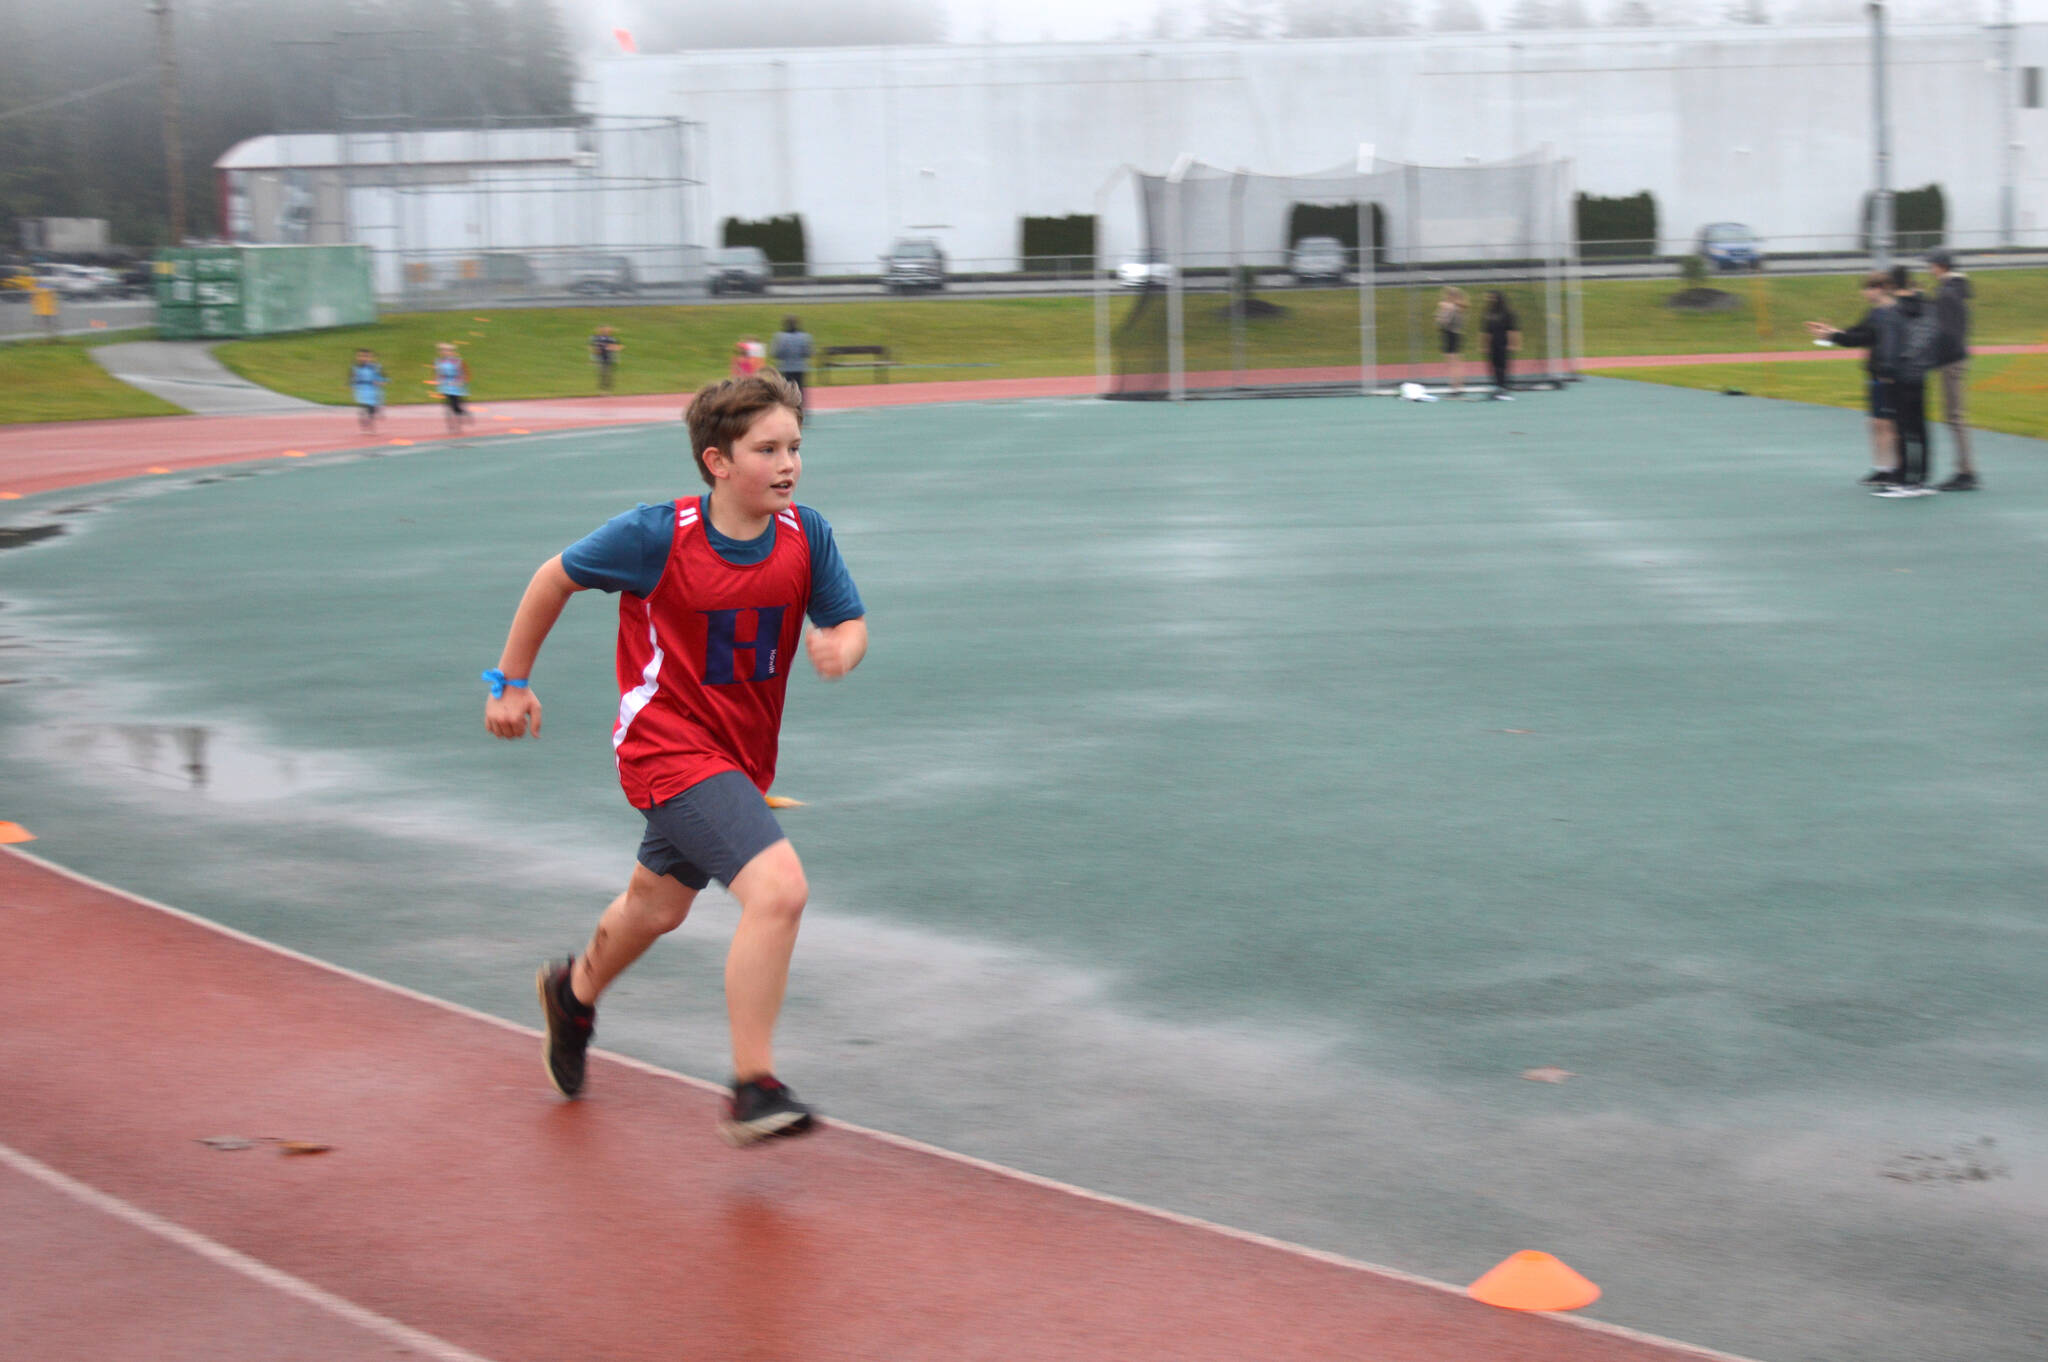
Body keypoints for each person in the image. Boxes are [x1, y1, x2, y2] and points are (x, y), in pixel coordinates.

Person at [483, 371, 868, 1146]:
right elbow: (553, 578)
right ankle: (752, 1085)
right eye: (768, 449)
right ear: (717, 460)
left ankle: (572, 993)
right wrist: (511, 682)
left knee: (658, 907)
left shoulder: (806, 535)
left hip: (738, 757)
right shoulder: (659, 535)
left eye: (795, 446)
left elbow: (850, 619)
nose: (789, 463)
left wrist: (841, 648)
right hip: (664, 744)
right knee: (779, 891)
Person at [1806, 272, 1901, 489]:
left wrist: (1833, 337)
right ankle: (1882, 469)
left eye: (1869, 288)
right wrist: (1830, 332)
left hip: (1889, 375)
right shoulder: (1874, 313)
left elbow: (1862, 338)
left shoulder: (1891, 313)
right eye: (1865, 288)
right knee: (1875, 423)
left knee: (1888, 425)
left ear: (1881, 288)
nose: (1865, 293)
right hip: (1875, 373)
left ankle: (1896, 469)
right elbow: (1857, 332)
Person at [1926, 250, 1977, 491]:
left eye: (1932, 265)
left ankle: (1966, 472)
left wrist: (1934, 359)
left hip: (1951, 360)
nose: (1929, 269)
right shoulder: (1956, 289)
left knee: (1954, 417)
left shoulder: (1947, 293)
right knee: (1954, 416)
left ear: (1941, 266)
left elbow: (1947, 332)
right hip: (1955, 357)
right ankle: (1964, 469)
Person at [1481, 291, 1519, 400]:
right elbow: (1486, 331)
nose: (1492, 301)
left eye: (1494, 298)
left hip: (1503, 342)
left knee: (1503, 366)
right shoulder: (1488, 313)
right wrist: (1485, 345)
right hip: (1492, 343)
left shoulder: (1507, 313)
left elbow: (1512, 330)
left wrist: (1513, 344)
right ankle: (1496, 386)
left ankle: (1503, 386)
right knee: (1493, 366)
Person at [1434, 287, 1467, 396]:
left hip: (1451, 334)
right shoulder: (1456, 307)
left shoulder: (1451, 307)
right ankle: (1458, 385)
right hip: (1453, 334)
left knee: (1453, 363)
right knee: (1455, 362)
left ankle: (1456, 387)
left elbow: (1442, 321)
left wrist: (1441, 312)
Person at [433, 343, 472, 434]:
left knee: (455, 406)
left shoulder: (457, 361)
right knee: (447, 405)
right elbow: (438, 372)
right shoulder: (439, 361)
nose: (445, 352)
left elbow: (463, 372)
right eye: (443, 350)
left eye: (447, 350)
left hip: (456, 386)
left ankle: (462, 413)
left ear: (452, 352)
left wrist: (460, 381)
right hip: (445, 386)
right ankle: (451, 426)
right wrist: (438, 380)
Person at [770, 316, 814, 397]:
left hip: (785, 368)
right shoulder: (804, 337)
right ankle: (799, 407)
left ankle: (789, 407)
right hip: (800, 368)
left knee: (786, 391)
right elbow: (808, 353)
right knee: (799, 390)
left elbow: (775, 353)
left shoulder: (780, 337)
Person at [349, 349, 388, 432]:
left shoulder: (375, 367)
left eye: (366, 356)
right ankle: (364, 418)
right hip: (361, 389)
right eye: (361, 356)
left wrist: (381, 382)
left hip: (372, 390)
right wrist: (353, 385)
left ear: (370, 357)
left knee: (372, 408)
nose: (363, 358)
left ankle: (370, 421)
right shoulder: (355, 368)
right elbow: (352, 379)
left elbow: (383, 377)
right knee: (364, 406)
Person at [589, 325, 623, 393]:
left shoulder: (612, 339)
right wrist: (594, 359)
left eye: (608, 330)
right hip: (602, 358)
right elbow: (596, 349)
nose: (606, 332)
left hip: (609, 358)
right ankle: (602, 388)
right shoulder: (599, 339)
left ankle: (608, 388)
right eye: (605, 330)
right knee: (602, 373)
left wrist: (613, 348)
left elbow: (619, 347)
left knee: (608, 374)